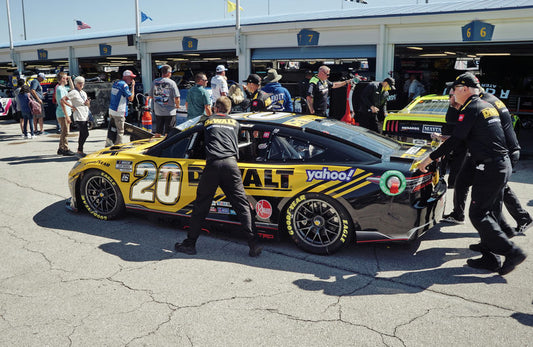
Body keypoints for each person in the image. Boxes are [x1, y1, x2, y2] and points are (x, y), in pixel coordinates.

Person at [418, 73, 527, 275]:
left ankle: (512, 252)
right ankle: (490, 257)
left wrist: (429, 159)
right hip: (495, 165)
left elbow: (456, 141)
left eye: (454, 89)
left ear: (465, 89)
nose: (451, 93)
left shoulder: (472, 108)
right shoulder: (483, 106)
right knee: (489, 213)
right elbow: (472, 136)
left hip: (491, 167)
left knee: (478, 215)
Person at [174, 96, 263, 257]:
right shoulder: (236, 123)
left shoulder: (207, 121)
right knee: (242, 206)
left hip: (213, 165)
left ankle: (190, 244)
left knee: (201, 205)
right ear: (229, 110)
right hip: (231, 165)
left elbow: (199, 141)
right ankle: (254, 244)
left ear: (215, 108)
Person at [149, 64, 181, 135]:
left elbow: (150, 96)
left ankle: (157, 144)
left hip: (158, 111)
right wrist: (177, 105)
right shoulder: (172, 83)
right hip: (170, 112)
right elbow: (177, 97)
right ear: (169, 73)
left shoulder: (155, 82)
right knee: (169, 132)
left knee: (158, 132)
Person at [64, 76, 90, 157]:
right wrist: (71, 106)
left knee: (83, 133)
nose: (81, 84)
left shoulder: (83, 92)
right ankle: (79, 150)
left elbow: (86, 103)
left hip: (85, 113)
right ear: (76, 84)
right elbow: (63, 99)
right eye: (79, 83)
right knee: (85, 133)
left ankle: (80, 150)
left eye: (82, 83)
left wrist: (87, 103)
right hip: (79, 115)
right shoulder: (73, 92)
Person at [108, 70, 136, 145]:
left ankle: (110, 142)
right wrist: (133, 86)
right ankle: (118, 146)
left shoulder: (116, 83)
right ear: (126, 77)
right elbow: (131, 98)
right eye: (131, 78)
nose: (132, 80)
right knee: (120, 131)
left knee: (112, 129)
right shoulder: (124, 85)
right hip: (119, 111)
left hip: (112, 110)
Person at [55, 72, 75, 156]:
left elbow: (72, 89)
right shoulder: (59, 89)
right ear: (62, 79)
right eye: (66, 78)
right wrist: (67, 116)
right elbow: (62, 102)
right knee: (65, 132)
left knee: (64, 132)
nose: (67, 79)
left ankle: (61, 148)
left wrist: (70, 79)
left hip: (65, 112)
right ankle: (65, 148)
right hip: (63, 113)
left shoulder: (63, 88)